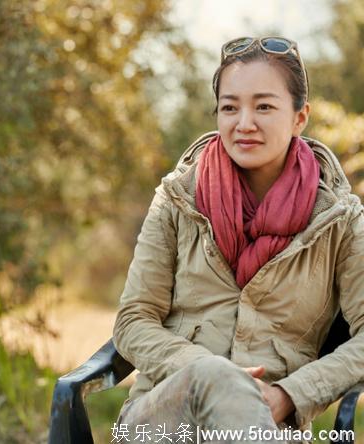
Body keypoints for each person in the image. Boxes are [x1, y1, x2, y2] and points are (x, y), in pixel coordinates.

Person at [113, 36, 364, 443]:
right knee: (213, 376)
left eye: (264, 106)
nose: (243, 123)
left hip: (269, 426)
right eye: (230, 107)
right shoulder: (178, 198)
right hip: (162, 422)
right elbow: (132, 320)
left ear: (300, 117)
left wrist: (290, 394)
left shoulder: (341, 220)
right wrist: (205, 371)